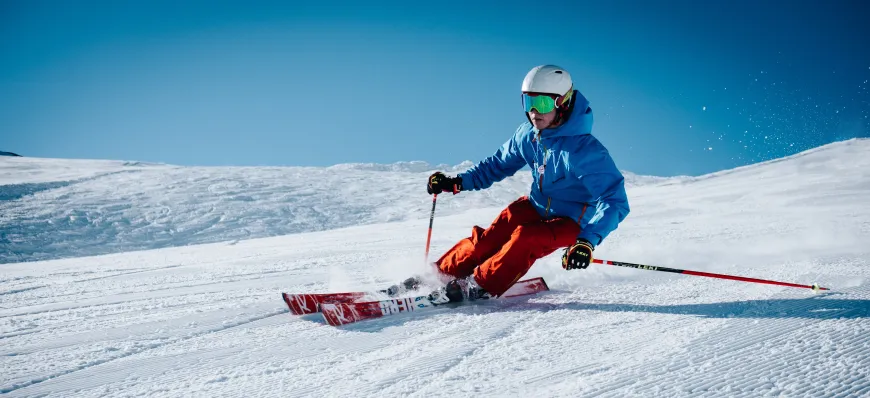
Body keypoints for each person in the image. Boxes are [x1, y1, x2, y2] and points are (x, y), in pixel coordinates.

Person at [425, 65, 630, 303]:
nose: (533, 112)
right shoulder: (528, 135)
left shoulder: (585, 152)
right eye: (527, 102)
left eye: (542, 104)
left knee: (527, 237)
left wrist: (586, 241)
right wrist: (457, 182)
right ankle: (438, 275)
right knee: (491, 237)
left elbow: (614, 201)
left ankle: (479, 285)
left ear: (562, 103)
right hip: (535, 205)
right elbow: (496, 165)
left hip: (573, 221)